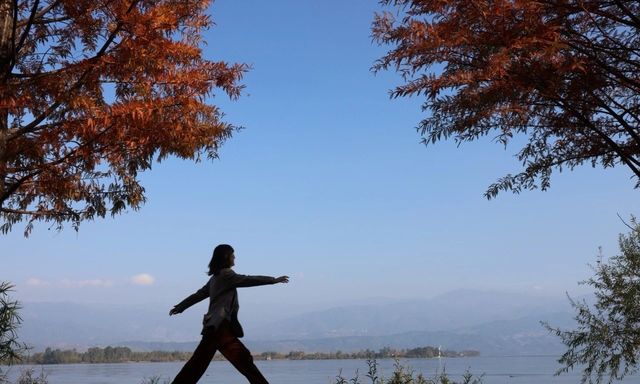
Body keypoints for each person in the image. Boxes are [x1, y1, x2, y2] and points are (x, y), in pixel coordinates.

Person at [169, 244, 289, 384]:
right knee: (244, 362)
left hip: (212, 327)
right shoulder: (226, 274)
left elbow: (198, 295)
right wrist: (272, 280)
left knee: (196, 365)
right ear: (226, 257)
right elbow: (248, 280)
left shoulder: (215, 278)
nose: (235, 257)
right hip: (220, 327)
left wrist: (182, 306)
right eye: (232, 255)